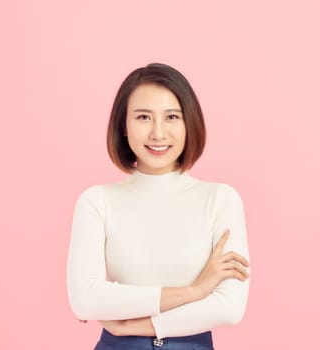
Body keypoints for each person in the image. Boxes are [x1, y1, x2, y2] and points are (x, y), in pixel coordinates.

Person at [66, 63, 250, 350]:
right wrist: (195, 290)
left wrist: (137, 325)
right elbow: (85, 300)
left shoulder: (220, 199)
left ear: (189, 123)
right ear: (123, 127)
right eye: (143, 117)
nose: (158, 133)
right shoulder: (97, 201)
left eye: (172, 117)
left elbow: (229, 307)